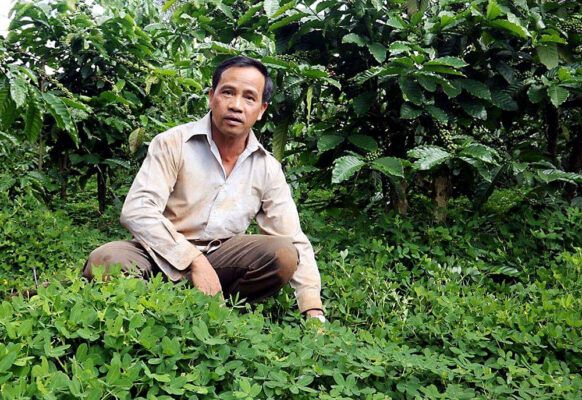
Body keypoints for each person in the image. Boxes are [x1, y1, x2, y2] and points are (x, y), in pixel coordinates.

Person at [83, 56, 325, 321]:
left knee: (283, 254)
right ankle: (162, 309)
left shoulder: (267, 167)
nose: (235, 105)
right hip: (157, 254)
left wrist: (313, 309)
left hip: (222, 261)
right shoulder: (173, 143)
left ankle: (219, 307)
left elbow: (293, 237)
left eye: (249, 98)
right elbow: (137, 210)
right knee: (106, 259)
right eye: (227, 92)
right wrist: (193, 261)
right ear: (212, 96)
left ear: (261, 109)